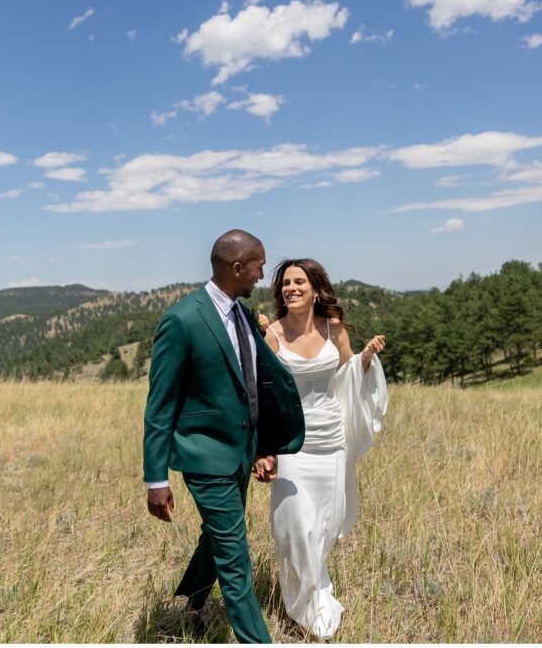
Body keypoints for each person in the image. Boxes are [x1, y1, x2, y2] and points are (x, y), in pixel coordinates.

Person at [142, 229, 306, 644]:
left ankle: (193, 604)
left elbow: (256, 385)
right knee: (236, 560)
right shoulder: (182, 320)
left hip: (240, 453)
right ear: (237, 268)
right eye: (258, 266)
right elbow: (160, 405)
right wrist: (156, 479)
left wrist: (264, 447)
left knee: (215, 536)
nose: (263, 274)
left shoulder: (243, 315)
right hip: (204, 457)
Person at [256, 258, 388, 640]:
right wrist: (262, 448)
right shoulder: (273, 335)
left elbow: (348, 374)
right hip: (292, 444)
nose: (291, 288)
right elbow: (263, 394)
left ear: (315, 289)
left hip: (331, 442)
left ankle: (314, 594)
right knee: (295, 528)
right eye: (285, 283)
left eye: (299, 282)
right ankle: (302, 607)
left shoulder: (333, 329)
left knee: (324, 529)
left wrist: (365, 358)